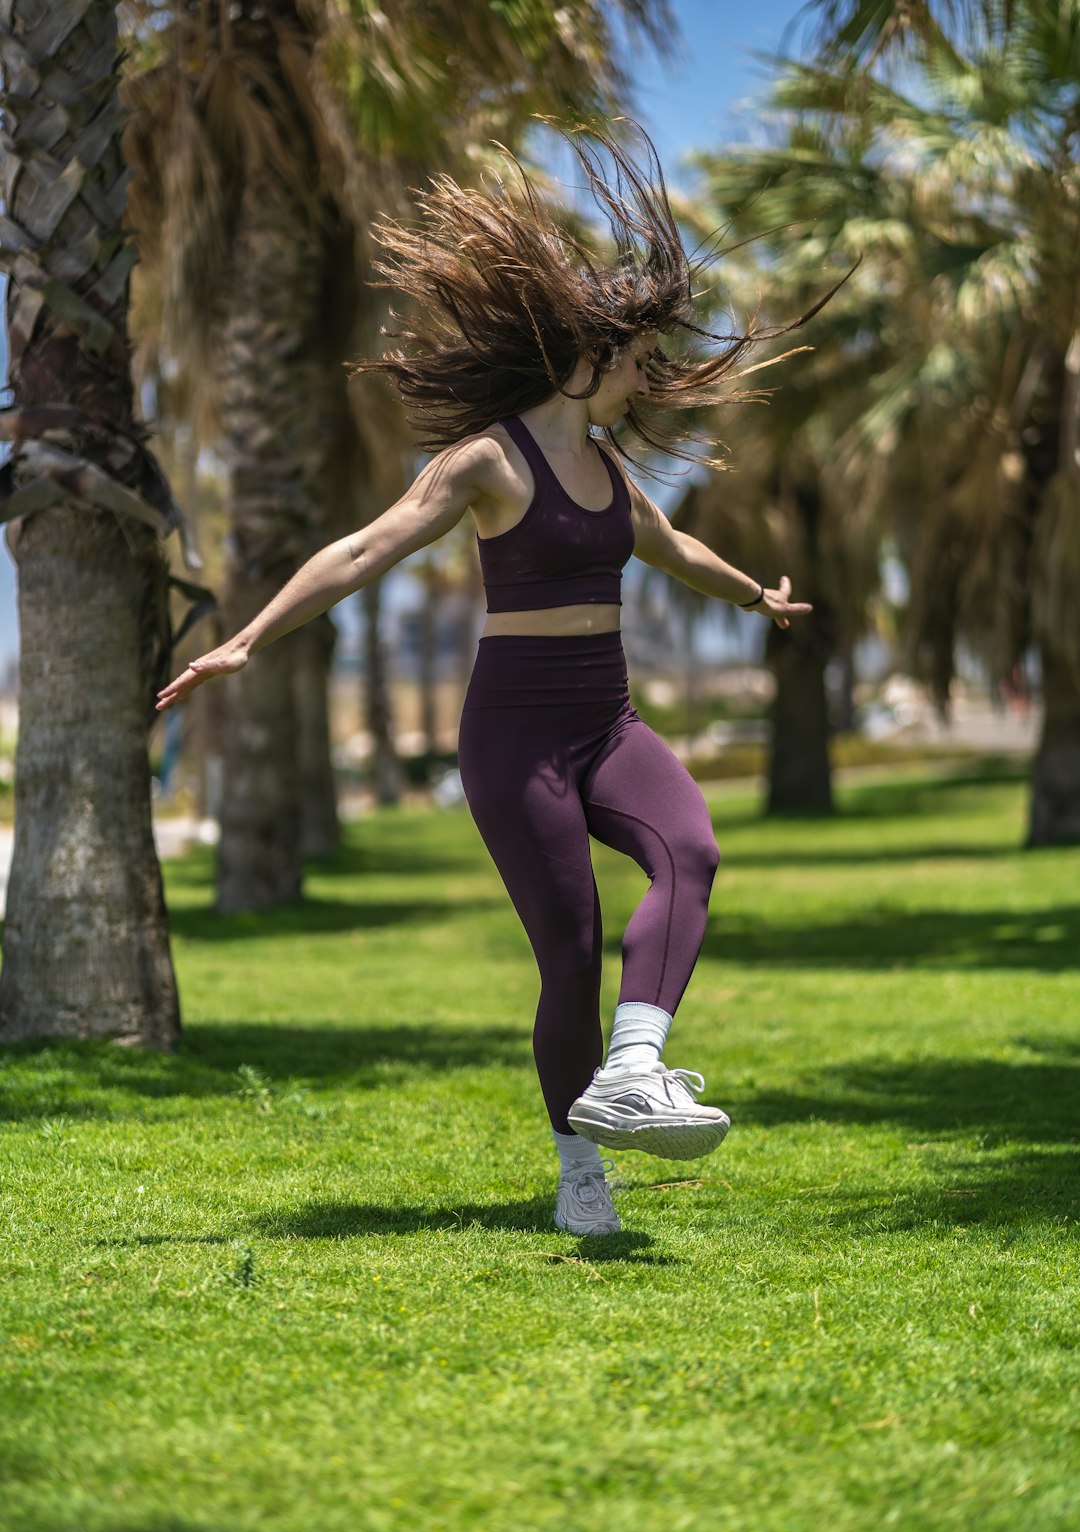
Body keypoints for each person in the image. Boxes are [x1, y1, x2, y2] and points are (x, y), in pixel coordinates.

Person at [156, 128, 815, 1237]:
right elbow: (363, 551)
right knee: (567, 949)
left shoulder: (609, 468)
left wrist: (757, 597)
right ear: (590, 352)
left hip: (608, 720)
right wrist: (248, 639)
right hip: (515, 739)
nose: (650, 379)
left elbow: (668, 549)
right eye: (638, 359)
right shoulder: (486, 459)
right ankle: (581, 1165)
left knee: (690, 847)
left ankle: (637, 1064)